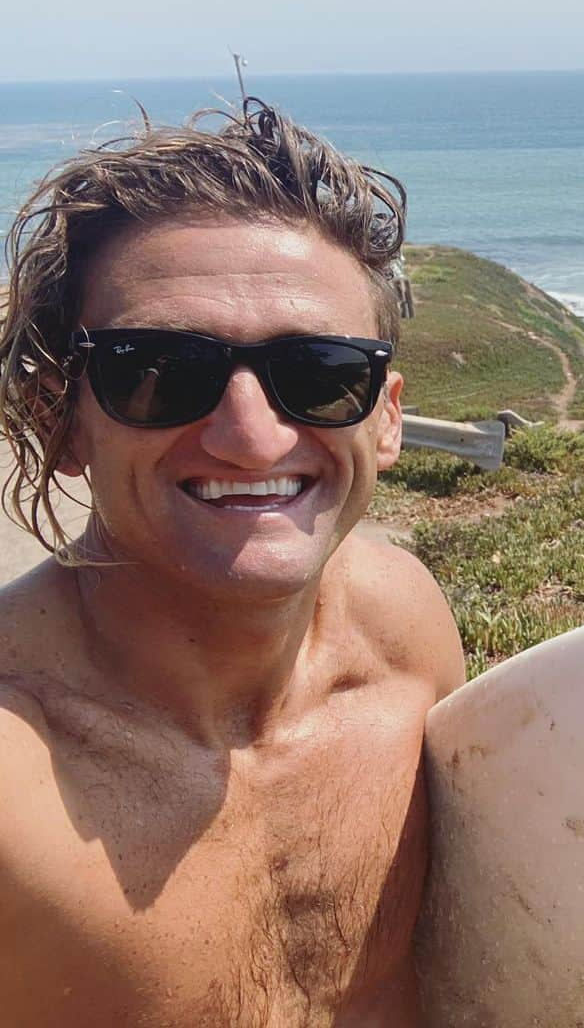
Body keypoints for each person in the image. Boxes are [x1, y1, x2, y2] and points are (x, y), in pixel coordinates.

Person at [0, 100, 464, 1026]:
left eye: (322, 372)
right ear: (62, 418)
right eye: (157, 369)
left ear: (386, 415)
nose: (253, 438)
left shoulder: (406, 632)